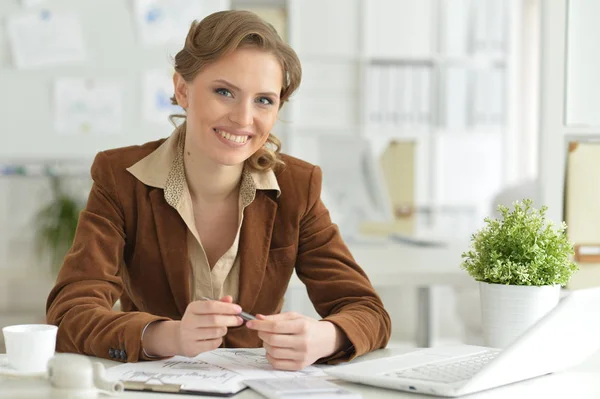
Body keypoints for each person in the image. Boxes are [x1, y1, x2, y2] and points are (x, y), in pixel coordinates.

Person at [46, 10, 391, 370]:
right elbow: (68, 316)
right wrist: (168, 336)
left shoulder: (296, 187)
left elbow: (368, 312)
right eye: (224, 92)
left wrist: (327, 337)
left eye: (263, 100)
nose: (243, 119)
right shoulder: (122, 178)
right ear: (182, 89)